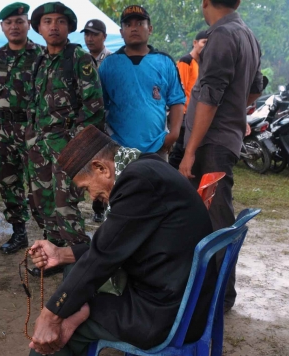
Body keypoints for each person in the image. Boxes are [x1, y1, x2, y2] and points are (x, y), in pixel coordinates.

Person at [27, 125, 217, 356]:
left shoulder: (138, 182)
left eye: (87, 188)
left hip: (163, 315)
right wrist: (61, 254)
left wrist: (51, 315)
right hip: (181, 299)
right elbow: (113, 244)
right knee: (76, 286)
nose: (92, 197)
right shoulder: (146, 164)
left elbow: (104, 255)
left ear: (101, 168)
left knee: (56, 332)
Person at [179, 0, 263, 313]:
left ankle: (219, 298)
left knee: (215, 222)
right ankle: (208, 292)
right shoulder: (248, 35)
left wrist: (189, 152)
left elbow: (211, 96)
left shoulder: (223, 35)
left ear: (204, 2)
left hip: (210, 144)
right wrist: (236, 112)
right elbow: (254, 88)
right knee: (207, 217)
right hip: (222, 140)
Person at [27, 2, 104, 248]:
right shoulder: (39, 61)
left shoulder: (78, 57)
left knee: (65, 205)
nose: (54, 27)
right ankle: (55, 253)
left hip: (67, 146)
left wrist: (78, 146)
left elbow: (94, 107)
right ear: (39, 28)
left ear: (69, 27)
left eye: (60, 21)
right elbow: (36, 104)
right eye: (47, 22)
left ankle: (79, 260)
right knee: (42, 202)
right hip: (40, 146)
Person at [0, 2, 44, 254]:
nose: (14, 27)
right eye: (9, 23)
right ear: (2, 27)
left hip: (34, 130)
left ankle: (50, 234)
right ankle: (18, 232)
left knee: (40, 183)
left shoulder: (42, 54)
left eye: (19, 21)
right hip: (4, 131)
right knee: (8, 182)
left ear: (28, 24)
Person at [99, 5, 185, 161]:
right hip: (119, 147)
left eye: (140, 24)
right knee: (123, 185)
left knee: (156, 185)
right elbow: (99, 105)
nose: (134, 29)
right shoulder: (108, 65)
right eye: (128, 25)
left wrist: (174, 134)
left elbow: (177, 100)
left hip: (157, 145)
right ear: (121, 32)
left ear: (150, 29)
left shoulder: (164, 62)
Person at [80, 18, 111, 223]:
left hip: (106, 123)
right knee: (84, 166)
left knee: (104, 167)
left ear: (104, 36)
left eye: (95, 34)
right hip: (84, 122)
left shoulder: (111, 60)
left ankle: (101, 208)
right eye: (87, 34)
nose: (90, 38)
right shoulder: (79, 60)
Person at [169, 30, 208, 169]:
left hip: (194, 114)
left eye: (208, 44)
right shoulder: (186, 61)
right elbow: (180, 89)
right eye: (204, 42)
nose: (205, 46)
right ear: (195, 42)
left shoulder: (200, 64)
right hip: (184, 114)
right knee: (180, 150)